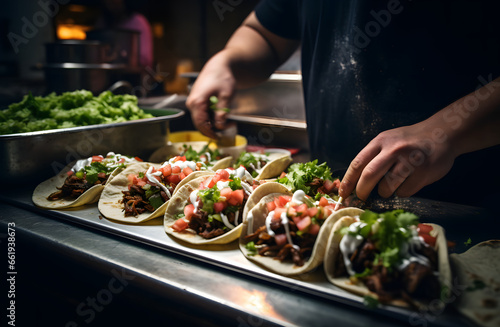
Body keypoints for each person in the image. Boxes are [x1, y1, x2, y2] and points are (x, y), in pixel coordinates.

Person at [187, 0, 500, 206]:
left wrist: (446, 131)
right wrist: (226, 62)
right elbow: (264, 35)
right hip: (332, 197)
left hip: (466, 207)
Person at [94, 0, 153, 68]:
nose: (110, 2)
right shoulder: (102, 23)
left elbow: (145, 60)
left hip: (132, 76)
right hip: (104, 75)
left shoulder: (138, 22)